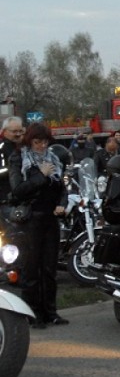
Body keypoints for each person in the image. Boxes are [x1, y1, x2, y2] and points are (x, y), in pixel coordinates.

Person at [9, 123, 69, 328]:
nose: (42, 146)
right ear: (30, 141)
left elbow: (62, 187)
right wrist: (40, 175)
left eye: (45, 142)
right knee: (31, 268)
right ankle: (33, 313)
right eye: (37, 142)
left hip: (50, 218)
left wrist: (62, 204)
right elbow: (18, 190)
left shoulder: (53, 158)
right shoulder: (19, 158)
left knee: (50, 268)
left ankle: (51, 311)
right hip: (31, 218)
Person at [0, 116, 25, 205]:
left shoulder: (25, 147)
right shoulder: (1, 148)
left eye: (20, 131)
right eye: (14, 131)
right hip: (5, 197)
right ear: (5, 131)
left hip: (24, 197)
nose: (18, 134)